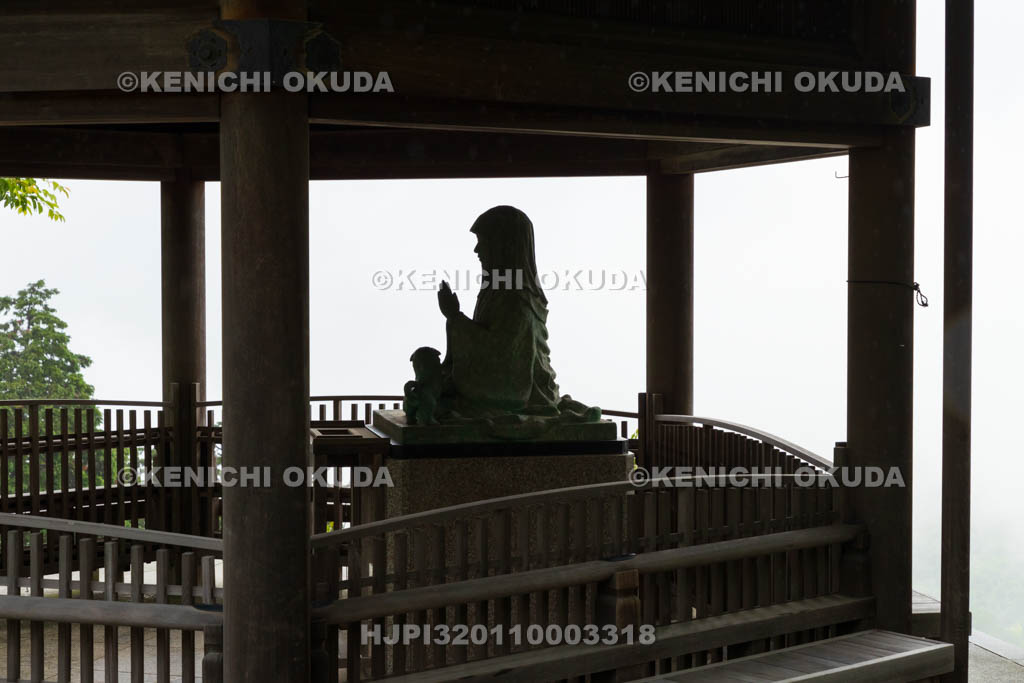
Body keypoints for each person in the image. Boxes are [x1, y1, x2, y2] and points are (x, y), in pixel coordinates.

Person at [435, 205, 598, 422]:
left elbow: (505, 357)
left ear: (503, 245)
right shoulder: (496, 290)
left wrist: (455, 317)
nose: (476, 250)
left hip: (516, 389)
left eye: (482, 242)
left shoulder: (517, 299)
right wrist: (455, 318)